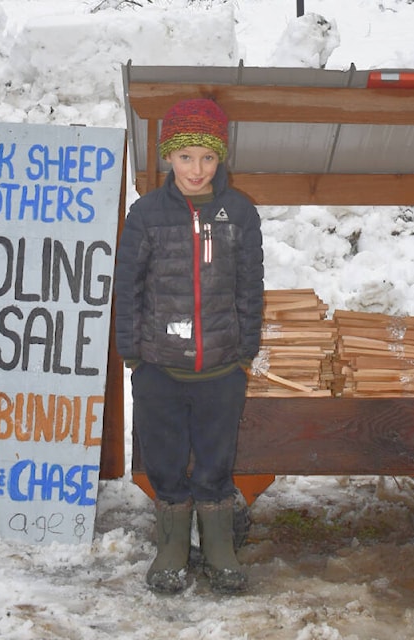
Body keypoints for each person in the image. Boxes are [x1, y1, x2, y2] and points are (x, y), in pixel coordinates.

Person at [114, 98, 264, 594]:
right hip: (159, 369)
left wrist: (245, 349)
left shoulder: (238, 212)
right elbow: (128, 286)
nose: (196, 170)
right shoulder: (146, 214)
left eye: (206, 157)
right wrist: (133, 355)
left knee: (216, 462)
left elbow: (249, 285)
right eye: (185, 158)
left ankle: (220, 546)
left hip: (220, 369)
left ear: (220, 157)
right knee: (165, 460)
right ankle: (172, 547)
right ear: (167, 159)